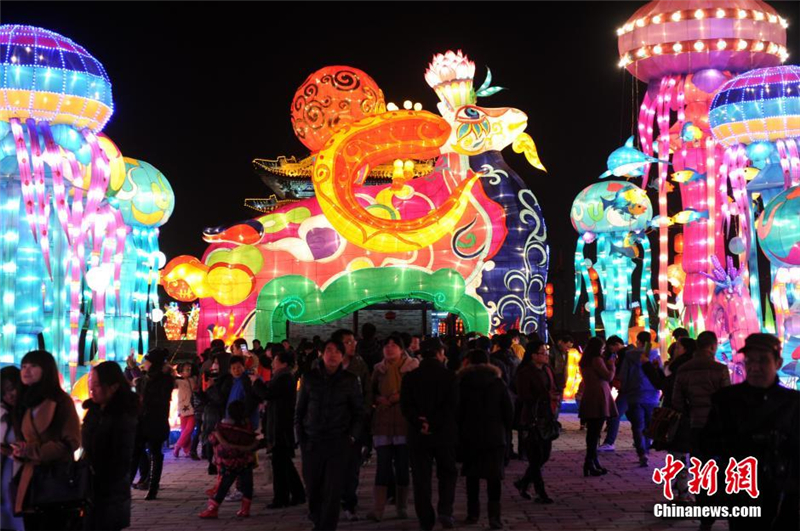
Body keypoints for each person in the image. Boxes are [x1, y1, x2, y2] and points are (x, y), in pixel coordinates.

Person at [704, 333, 799, 531]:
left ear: (778, 362)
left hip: (785, 494)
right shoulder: (725, 400)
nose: (755, 367)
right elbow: (708, 445)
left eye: (763, 360)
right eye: (749, 360)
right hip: (741, 491)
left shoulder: (793, 402)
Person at [295, 338, 364, 531]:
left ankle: (326, 527)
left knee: (333, 490)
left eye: (336, 351)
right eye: (328, 350)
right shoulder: (309, 378)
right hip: (312, 442)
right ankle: (318, 520)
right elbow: (299, 411)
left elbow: (359, 412)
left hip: (338, 442)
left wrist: (351, 437)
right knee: (313, 489)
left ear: (342, 356)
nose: (332, 354)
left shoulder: (350, 380)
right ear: (322, 354)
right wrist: (301, 438)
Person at [12, 350, 81, 530]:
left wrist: (33, 451)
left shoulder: (61, 401)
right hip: (30, 478)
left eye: (34, 366)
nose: (26, 371)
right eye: (24, 366)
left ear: (46, 370)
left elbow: (71, 441)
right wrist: (19, 452)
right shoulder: (23, 402)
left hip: (55, 477)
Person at [672, 331, 730, 530]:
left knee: (700, 467)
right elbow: (726, 400)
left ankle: (705, 514)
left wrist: (690, 411)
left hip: (695, 425)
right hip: (718, 427)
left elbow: (677, 401)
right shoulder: (720, 369)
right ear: (713, 347)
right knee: (720, 468)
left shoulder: (684, 369)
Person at [400, 338, 458, 530]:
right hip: (444, 433)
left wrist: (420, 422)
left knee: (421, 477)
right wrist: (434, 423)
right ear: (440, 353)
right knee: (447, 472)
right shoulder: (450, 377)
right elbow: (453, 406)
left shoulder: (410, 377)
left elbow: (406, 407)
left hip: (418, 434)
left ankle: (426, 518)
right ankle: (445, 509)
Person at [457, 349, 513, 530]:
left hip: (469, 435)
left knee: (472, 476)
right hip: (494, 436)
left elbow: (456, 411)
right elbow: (508, 411)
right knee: (493, 477)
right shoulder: (498, 383)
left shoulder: (461, 383)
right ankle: (494, 517)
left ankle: (472, 513)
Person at [367, 333, 419, 522]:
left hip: (404, 423)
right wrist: (377, 399)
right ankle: (378, 509)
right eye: (387, 345)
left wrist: (400, 396)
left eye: (394, 345)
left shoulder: (412, 368)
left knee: (403, 465)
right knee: (382, 466)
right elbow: (369, 392)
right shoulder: (378, 369)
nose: (390, 348)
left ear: (402, 348)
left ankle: (401, 506)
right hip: (382, 422)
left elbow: (417, 393)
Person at [82, 361, 140, 531]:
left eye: (97, 385)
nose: (92, 389)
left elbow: (120, 457)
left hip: (109, 489)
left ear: (113, 387)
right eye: (90, 385)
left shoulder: (123, 414)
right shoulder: (94, 410)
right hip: (91, 485)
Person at [642, 337, 696, 502]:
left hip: (679, 415)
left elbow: (664, 385)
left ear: (685, 349)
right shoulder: (689, 366)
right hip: (691, 415)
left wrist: (647, 365)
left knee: (678, 453)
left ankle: (684, 492)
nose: (675, 349)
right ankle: (686, 489)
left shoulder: (681, 367)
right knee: (686, 454)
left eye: (678, 347)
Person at [252, 349, 305, 509]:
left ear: (283, 363)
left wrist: (256, 382)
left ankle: (281, 498)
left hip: (280, 426)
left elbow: (268, 394)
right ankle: (297, 494)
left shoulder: (284, 378)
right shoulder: (284, 376)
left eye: (275, 360)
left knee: (280, 464)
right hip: (280, 424)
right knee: (284, 462)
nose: (273, 363)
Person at [513, 340, 559, 504]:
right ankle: (541, 492)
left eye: (546, 352)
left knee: (544, 455)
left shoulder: (547, 369)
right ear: (533, 355)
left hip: (547, 416)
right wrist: (547, 397)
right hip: (532, 418)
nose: (546, 355)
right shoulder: (525, 372)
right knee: (535, 456)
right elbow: (524, 396)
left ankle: (523, 483)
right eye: (542, 352)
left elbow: (553, 388)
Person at [332, 328, 370, 522]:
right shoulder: (323, 365)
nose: (353, 344)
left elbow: (368, 391)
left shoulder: (359, 364)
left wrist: (363, 418)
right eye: (348, 341)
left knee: (352, 467)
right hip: (330, 427)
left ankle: (349, 503)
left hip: (353, 426)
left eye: (353, 341)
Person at [199, 400, 258, 519]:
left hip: (229, 462)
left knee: (224, 486)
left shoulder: (222, 428)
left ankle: (213, 509)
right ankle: (245, 509)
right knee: (247, 485)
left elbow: (212, 440)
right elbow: (253, 443)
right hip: (245, 461)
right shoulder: (246, 429)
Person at [129, 348, 174, 500]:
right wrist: (134, 369)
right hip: (147, 421)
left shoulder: (163, 379)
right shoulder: (150, 378)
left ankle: (152, 487)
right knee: (140, 453)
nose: (145, 364)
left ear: (153, 363)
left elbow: (154, 397)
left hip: (154, 420)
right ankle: (141, 486)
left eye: (146, 362)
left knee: (153, 453)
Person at [617, 331, 662, 467]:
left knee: (637, 426)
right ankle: (646, 450)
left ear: (638, 341)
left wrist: (624, 388)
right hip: (652, 395)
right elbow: (659, 373)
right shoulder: (655, 354)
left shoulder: (629, 355)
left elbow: (624, 375)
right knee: (649, 425)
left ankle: (641, 453)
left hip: (634, 394)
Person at [578, 337, 617, 477]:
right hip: (599, 395)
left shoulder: (585, 361)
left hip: (590, 395)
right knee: (595, 432)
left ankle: (592, 462)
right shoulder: (596, 360)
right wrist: (612, 365)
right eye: (602, 348)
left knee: (592, 433)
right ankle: (590, 462)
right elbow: (608, 376)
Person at [1, 366, 24, 531]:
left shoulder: (27, 412)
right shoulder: (2, 412)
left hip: (18, 471)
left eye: (13, 388)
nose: (10, 395)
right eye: (5, 391)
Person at [598, 335, 627, 450]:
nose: (612, 351)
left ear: (616, 344)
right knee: (635, 418)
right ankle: (644, 444)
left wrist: (613, 366)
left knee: (614, 415)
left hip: (627, 390)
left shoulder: (624, 354)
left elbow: (619, 371)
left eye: (611, 348)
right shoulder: (629, 352)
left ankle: (609, 442)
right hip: (633, 390)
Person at [173, 362, 196, 458]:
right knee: (185, 430)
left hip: (192, 408)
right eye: (187, 370)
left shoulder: (193, 380)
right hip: (183, 408)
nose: (189, 371)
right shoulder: (178, 382)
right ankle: (187, 450)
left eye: (189, 369)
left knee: (189, 429)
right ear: (181, 372)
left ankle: (178, 445)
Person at [549, 334, 574, 420]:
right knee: (553, 403)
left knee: (558, 402)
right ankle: (552, 421)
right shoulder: (552, 352)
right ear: (562, 342)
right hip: (553, 380)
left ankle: (554, 421)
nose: (568, 349)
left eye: (569, 347)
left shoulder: (565, 353)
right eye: (567, 346)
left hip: (561, 381)